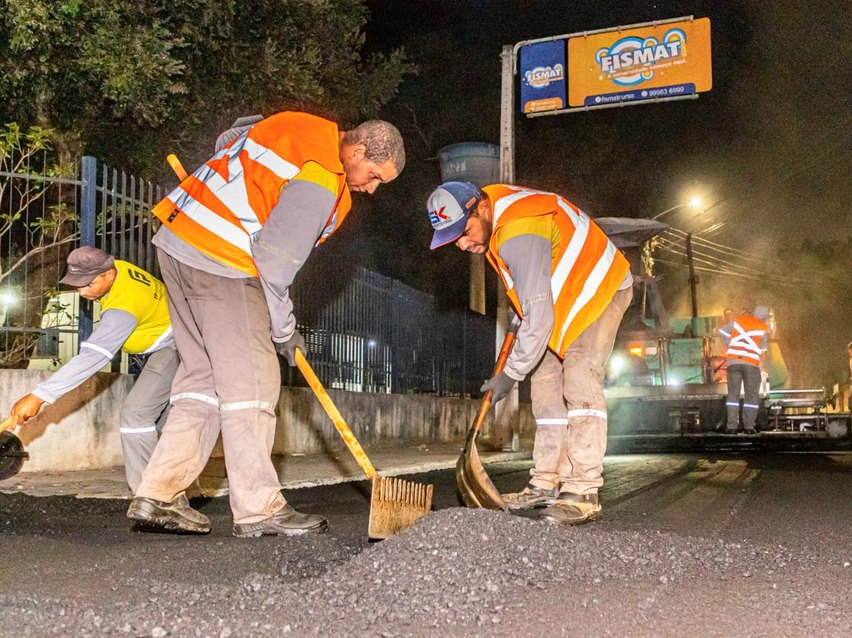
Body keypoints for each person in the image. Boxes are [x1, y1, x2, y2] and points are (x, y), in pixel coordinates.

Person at [128, 112, 405, 536]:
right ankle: (259, 508)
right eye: (373, 175)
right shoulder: (322, 174)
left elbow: (234, 132)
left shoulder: (297, 126)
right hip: (224, 261)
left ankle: (159, 492)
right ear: (359, 150)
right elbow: (275, 268)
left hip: (176, 245)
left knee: (201, 378)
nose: (370, 188)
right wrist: (284, 333)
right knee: (253, 384)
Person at [425, 181, 632, 526]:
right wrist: (519, 312)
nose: (461, 244)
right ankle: (547, 481)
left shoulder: (517, 229)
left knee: (580, 376)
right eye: (453, 239)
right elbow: (532, 291)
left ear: (481, 209)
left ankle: (583, 487)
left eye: (463, 232)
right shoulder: (496, 222)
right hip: (564, 302)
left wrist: (510, 373)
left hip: (600, 288)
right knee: (546, 387)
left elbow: (539, 315)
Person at [9, 246, 177, 493]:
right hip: (163, 347)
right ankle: (175, 486)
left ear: (108, 274)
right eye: (77, 284)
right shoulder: (117, 268)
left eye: (88, 284)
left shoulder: (125, 303)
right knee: (166, 422)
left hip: (176, 348)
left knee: (136, 415)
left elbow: (94, 357)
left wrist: (39, 396)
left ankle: (150, 497)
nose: (81, 291)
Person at [718, 306, 770, 433]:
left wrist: (728, 345)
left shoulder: (739, 320)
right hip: (751, 364)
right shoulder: (763, 328)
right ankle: (749, 427)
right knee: (751, 397)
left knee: (733, 396)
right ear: (764, 318)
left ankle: (731, 427)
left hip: (733, 363)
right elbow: (763, 350)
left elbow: (723, 331)